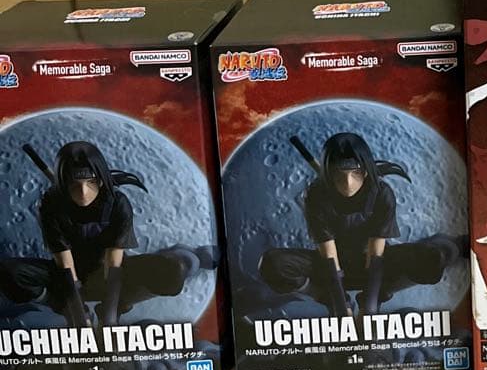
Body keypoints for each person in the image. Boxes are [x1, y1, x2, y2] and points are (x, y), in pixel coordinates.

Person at [0, 141, 216, 327]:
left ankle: (123, 303)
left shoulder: (117, 204)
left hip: (111, 272)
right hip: (64, 277)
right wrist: (77, 311)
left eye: (91, 182)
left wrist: (111, 315)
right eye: (74, 184)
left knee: (172, 273)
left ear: (101, 179)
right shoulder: (51, 205)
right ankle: (58, 305)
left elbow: (114, 262)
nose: (83, 192)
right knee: (8, 273)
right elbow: (64, 264)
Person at [257, 133, 460, 317]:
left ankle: (384, 291)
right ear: (328, 172)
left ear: (366, 170)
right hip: (328, 266)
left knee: (432, 259)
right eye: (339, 173)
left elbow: (376, 252)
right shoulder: (316, 194)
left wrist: (369, 307)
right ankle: (323, 296)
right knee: (272, 265)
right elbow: (328, 254)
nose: (348, 182)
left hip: (375, 262)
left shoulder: (381, 193)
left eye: (355, 172)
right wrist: (339, 305)